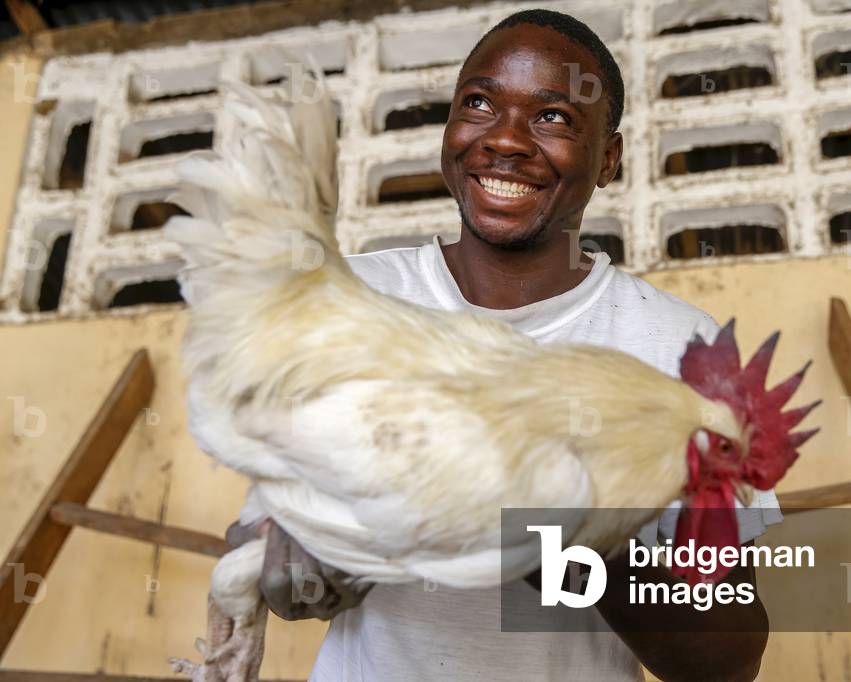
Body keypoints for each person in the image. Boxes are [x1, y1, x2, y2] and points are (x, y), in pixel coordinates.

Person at [231, 9, 782, 681]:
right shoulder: (353, 297)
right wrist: (282, 549)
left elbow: (725, 660)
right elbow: (259, 536)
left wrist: (553, 531)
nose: (506, 140)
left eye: (551, 117)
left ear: (607, 157)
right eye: (480, 103)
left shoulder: (678, 346)